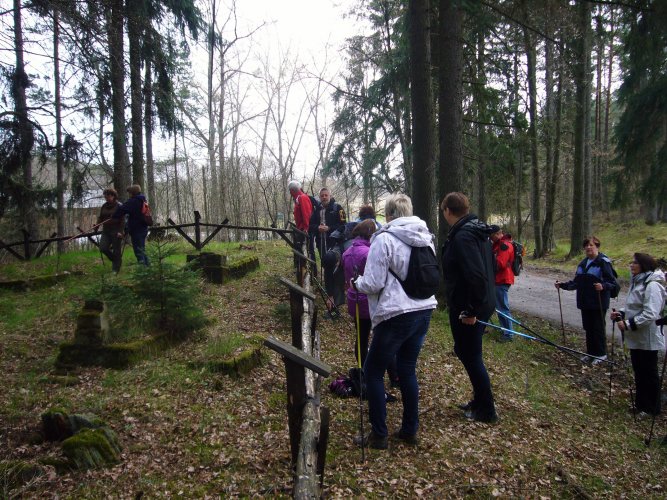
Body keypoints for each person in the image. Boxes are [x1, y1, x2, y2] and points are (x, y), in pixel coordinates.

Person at [351, 193, 437, 449]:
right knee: (407, 369)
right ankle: (410, 429)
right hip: (423, 309)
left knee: (373, 371)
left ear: (388, 214)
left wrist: (357, 283)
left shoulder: (384, 239)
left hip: (396, 313)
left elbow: (374, 282)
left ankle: (379, 434)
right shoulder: (425, 237)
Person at [441, 192, 498, 423]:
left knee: (470, 355)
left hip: (470, 306)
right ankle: (480, 400)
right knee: (467, 352)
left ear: (448, 211)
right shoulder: (474, 230)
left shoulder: (464, 236)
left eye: (443, 211)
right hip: (478, 301)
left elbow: (476, 275)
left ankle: (487, 410)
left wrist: (472, 309)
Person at [610, 253, 666, 416]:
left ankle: (652, 408)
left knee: (648, 372)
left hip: (648, 336)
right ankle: (641, 405)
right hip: (636, 336)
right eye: (631, 262)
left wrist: (628, 324)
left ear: (643, 265)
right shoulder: (638, 281)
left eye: (635, 263)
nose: (631, 265)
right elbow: (634, 307)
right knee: (639, 371)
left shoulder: (652, 285)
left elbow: (650, 313)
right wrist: (621, 313)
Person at [555, 236, 618, 364]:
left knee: (597, 328)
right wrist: (562, 285)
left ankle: (601, 354)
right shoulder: (583, 263)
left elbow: (612, 282)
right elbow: (576, 282)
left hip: (598, 301)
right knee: (588, 327)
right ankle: (590, 353)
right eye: (586, 246)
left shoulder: (603, 262)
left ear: (597, 247)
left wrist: (603, 286)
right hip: (585, 301)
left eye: (591, 245)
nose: (588, 248)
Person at [342, 219, 377, 368]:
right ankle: (370, 370)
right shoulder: (369, 253)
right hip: (367, 301)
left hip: (353, 299)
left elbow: (346, 278)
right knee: (377, 338)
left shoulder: (347, 252)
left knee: (361, 337)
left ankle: (363, 368)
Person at [309, 187, 347, 308]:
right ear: (320, 197)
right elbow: (310, 225)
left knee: (336, 268)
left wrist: (329, 228)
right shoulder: (317, 210)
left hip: (335, 244)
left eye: (326, 195)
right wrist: (317, 228)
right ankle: (330, 295)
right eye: (322, 196)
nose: (324, 197)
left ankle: (337, 296)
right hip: (321, 243)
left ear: (330, 196)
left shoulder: (338, 208)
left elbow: (343, 226)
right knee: (326, 268)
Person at [112, 184, 150, 266]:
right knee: (142, 249)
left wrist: (114, 216)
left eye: (129, 192)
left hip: (137, 229)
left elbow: (122, 209)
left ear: (132, 193)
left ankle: (143, 270)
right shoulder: (143, 199)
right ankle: (148, 268)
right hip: (144, 228)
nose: (128, 194)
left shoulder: (134, 201)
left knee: (138, 251)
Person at [489, 226, 515, 342]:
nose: (490, 238)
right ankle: (505, 329)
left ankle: (509, 334)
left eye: (491, 236)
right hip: (498, 279)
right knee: (499, 306)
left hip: (503, 279)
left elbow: (500, 264)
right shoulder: (498, 244)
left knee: (502, 307)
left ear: (497, 234)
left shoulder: (504, 245)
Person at [98, 188, 124, 273]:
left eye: (108, 196)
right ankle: (116, 260)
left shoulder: (119, 206)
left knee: (116, 250)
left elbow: (123, 220)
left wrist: (121, 231)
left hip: (116, 230)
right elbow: (100, 217)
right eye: (105, 196)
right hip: (106, 230)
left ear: (113, 196)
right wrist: (96, 226)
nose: (106, 198)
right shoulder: (104, 206)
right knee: (103, 247)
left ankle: (115, 269)